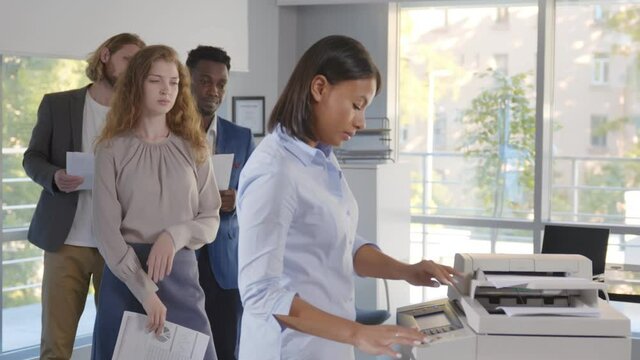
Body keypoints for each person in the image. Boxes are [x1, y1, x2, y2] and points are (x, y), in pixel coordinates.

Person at [237, 35, 460, 360]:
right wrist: (358, 333)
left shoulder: (321, 156)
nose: (361, 121)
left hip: (330, 346)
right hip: (291, 351)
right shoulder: (275, 172)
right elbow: (260, 292)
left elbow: (341, 244)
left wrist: (407, 271)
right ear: (319, 88)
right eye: (356, 105)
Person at [91, 45, 221, 360]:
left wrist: (173, 235)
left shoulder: (194, 147)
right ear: (137, 84)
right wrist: (146, 292)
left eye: (174, 82)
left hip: (181, 279)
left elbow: (211, 218)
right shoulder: (111, 150)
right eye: (155, 81)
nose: (166, 90)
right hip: (125, 281)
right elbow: (106, 234)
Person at [22, 32, 144, 360]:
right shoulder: (57, 104)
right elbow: (31, 158)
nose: (133, 71)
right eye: (127, 60)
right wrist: (55, 177)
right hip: (66, 242)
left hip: (118, 245)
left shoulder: (139, 116)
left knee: (117, 344)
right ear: (105, 55)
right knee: (56, 345)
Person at [186, 45, 255, 360]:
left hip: (224, 263)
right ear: (187, 80)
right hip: (178, 256)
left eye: (221, 83)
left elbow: (257, 195)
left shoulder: (241, 137)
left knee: (226, 348)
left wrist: (238, 200)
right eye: (204, 80)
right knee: (182, 347)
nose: (213, 90)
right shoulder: (165, 133)